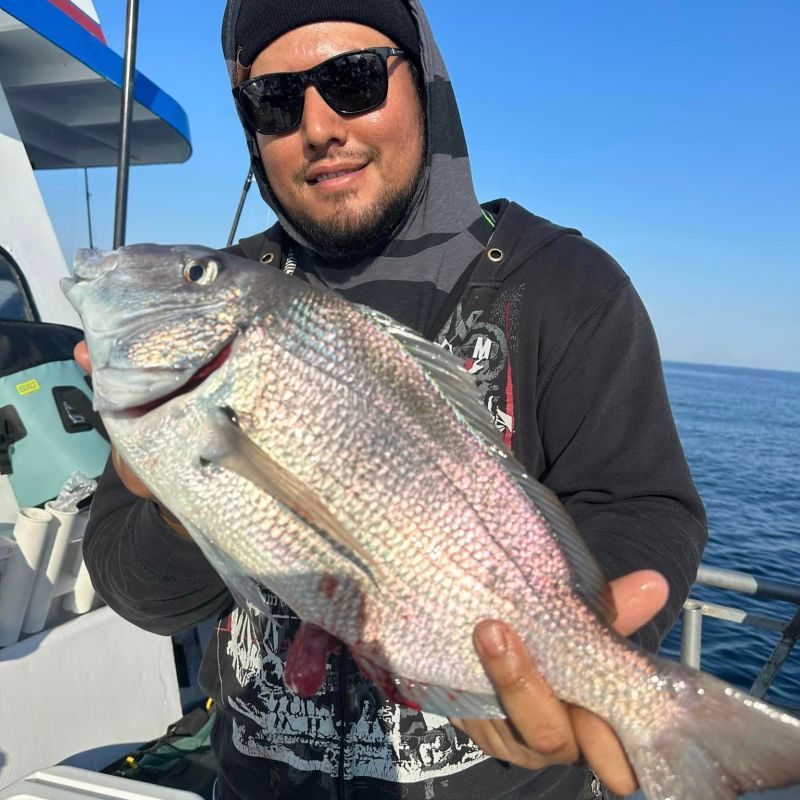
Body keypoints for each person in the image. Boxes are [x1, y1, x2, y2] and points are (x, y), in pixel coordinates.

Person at [77, 1, 707, 798]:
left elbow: (645, 504)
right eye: (275, 99)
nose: (317, 126)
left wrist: (571, 660)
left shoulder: (566, 288)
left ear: (426, 85)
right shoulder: (211, 311)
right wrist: (180, 498)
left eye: (353, 79)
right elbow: (138, 591)